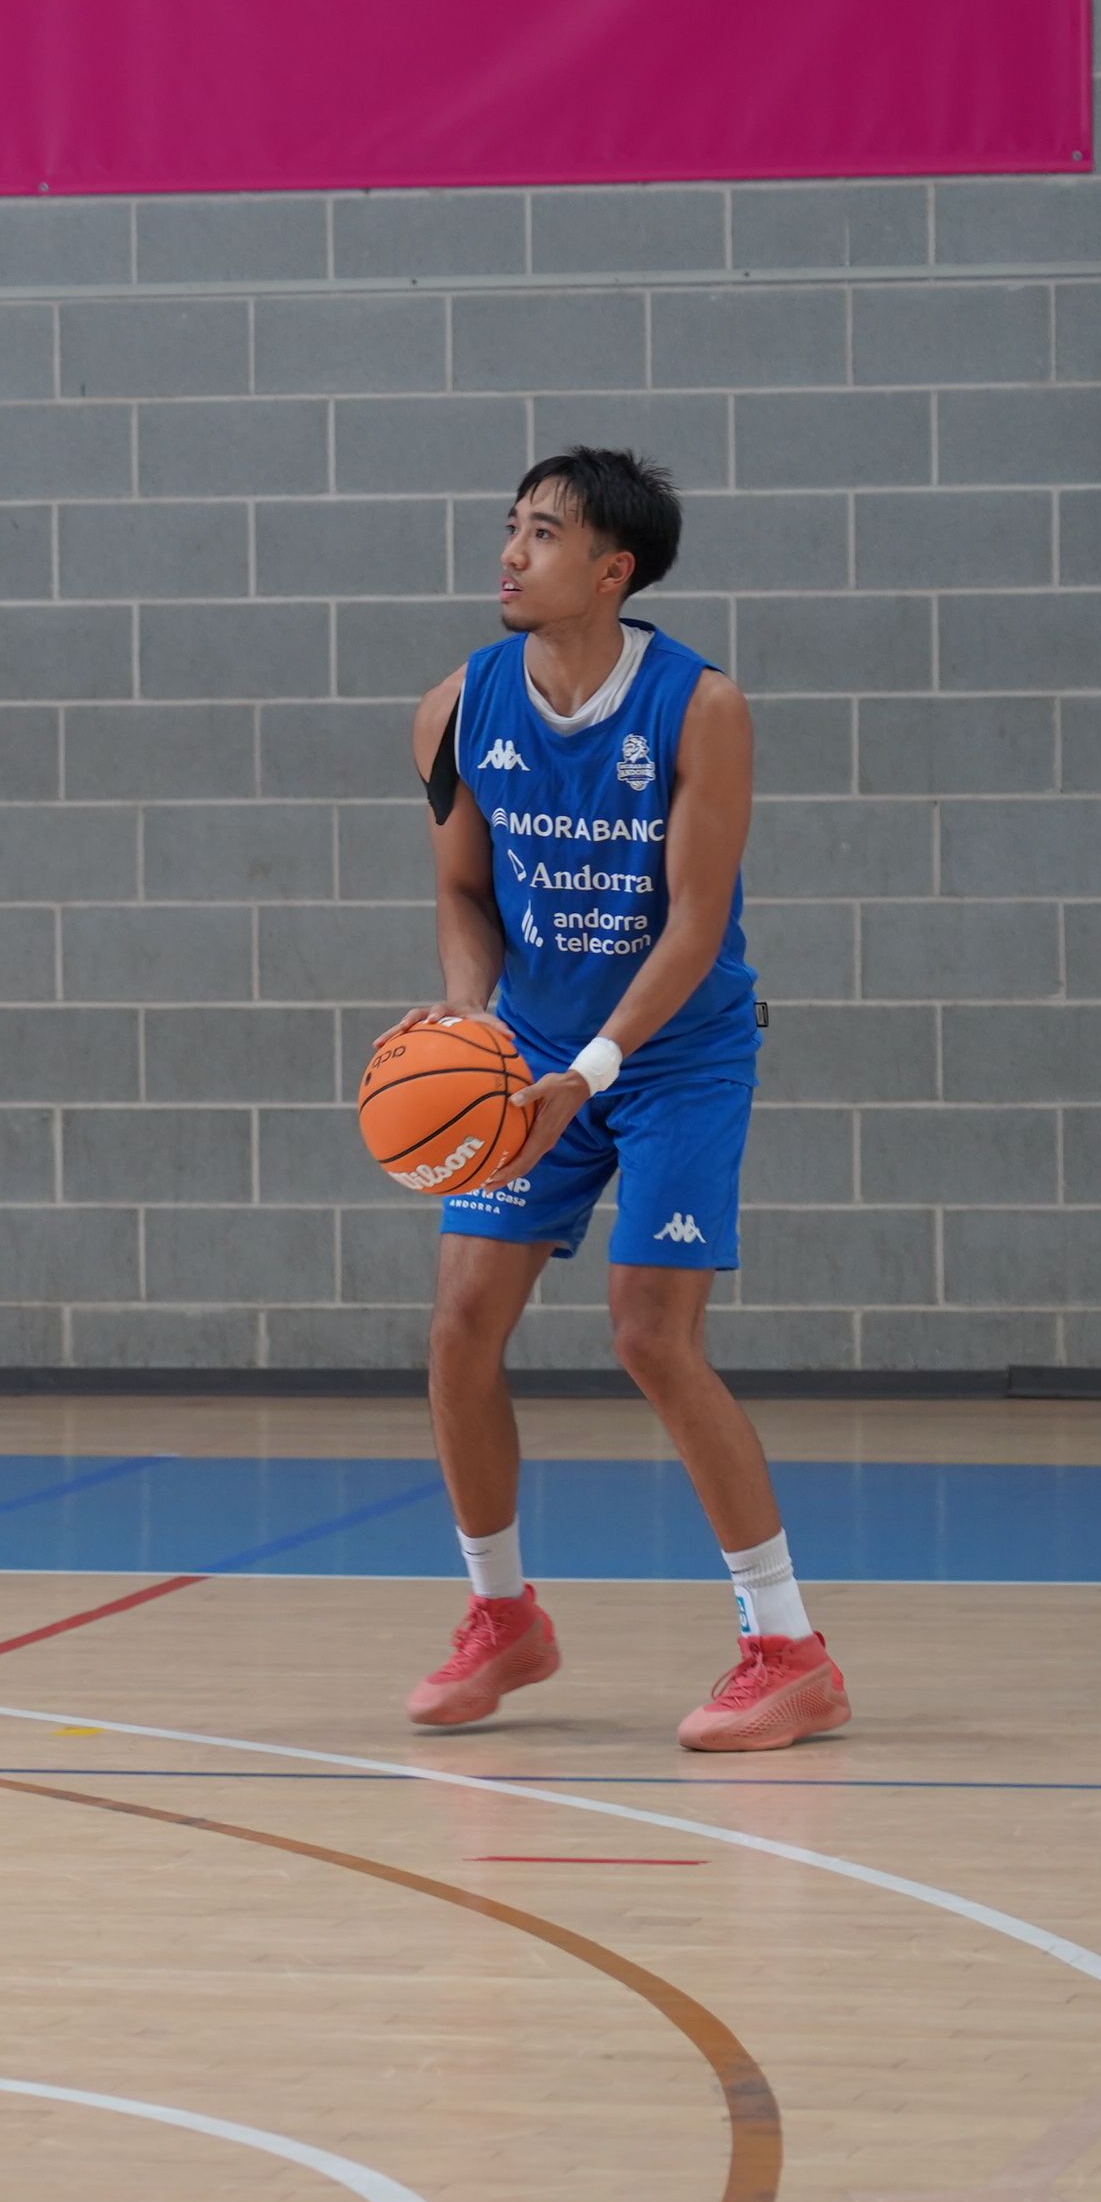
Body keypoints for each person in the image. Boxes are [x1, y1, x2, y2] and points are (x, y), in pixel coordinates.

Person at [383, 448, 846, 1752]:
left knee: (650, 1333)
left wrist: (585, 1075)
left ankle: (789, 1648)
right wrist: (476, 1027)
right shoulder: (453, 708)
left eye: (541, 533)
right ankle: (503, 1619)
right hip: (530, 1039)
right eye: (510, 528)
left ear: (613, 569)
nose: (510, 554)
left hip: (679, 1048)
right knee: (461, 1322)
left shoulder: (703, 709)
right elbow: (465, 895)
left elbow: (696, 926)